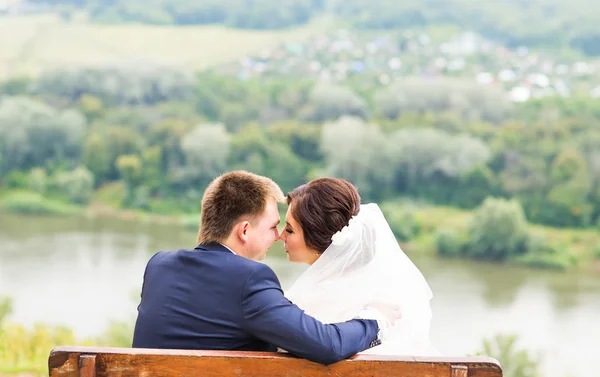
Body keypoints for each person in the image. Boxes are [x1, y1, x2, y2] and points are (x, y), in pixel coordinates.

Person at [132, 171, 383, 365]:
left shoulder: (159, 265)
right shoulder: (249, 279)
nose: (277, 236)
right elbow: (328, 345)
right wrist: (376, 323)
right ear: (244, 231)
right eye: (273, 226)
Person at [280, 177, 436, 355]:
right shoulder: (384, 294)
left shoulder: (307, 301)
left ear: (317, 238)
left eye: (290, 230)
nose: (280, 235)